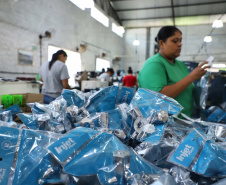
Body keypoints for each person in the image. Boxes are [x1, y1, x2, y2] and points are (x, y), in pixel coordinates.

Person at [138, 26, 210, 117]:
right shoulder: (154, 64)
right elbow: (157, 97)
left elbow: (186, 89)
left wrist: (203, 81)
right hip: (164, 126)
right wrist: (191, 77)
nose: (180, 44)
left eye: (180, 40)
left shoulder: (181, 65)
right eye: (175, 41)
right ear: (161, 43)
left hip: (185, 121)